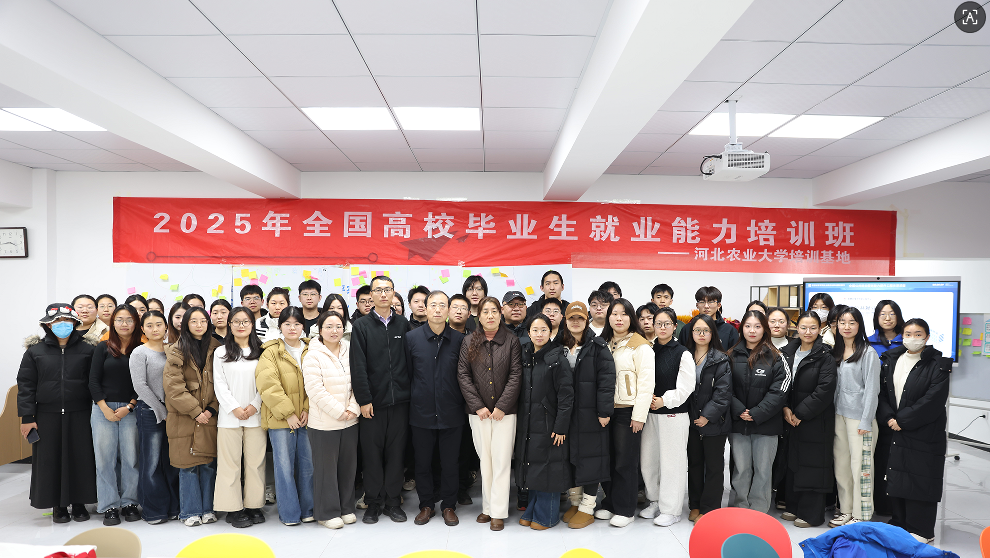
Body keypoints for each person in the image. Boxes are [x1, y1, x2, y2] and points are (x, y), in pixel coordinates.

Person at [18, 303, 97, 523]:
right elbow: (26, 385)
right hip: (46, 414)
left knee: (81, 458)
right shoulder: (35, 352)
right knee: (50, 460)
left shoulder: (88, 349)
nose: (63, 324)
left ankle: (80, 503)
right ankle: (58, 505)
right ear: (48, 324)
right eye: (57, 321)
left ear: (75, 323)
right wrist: (27, 417)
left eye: (67, 320)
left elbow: (95, 381)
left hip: (81, 412)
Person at [877, 319, 951, 544]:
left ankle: (922, 530)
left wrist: (902, 420)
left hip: (923, 431)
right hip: (895, 427)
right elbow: (882, 393)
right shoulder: (891, 359)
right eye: (908, 334)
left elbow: (933, 400)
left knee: (921, 478)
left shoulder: (938, 364)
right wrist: (889, 417)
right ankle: (900, 523)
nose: (912, 338)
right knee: (898, 475)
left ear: (927, 337)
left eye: (918, 334)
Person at [350, 276, 412, 524]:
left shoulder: (404, 325)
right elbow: (358, 366)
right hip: (372, 404)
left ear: (394, 293)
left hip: (400, 403)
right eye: (378, 290)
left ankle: (393, 502)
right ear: (371, 295)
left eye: (387, 290)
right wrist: (364, 399)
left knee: (397, 454)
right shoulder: (361, 326)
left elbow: (410, 363)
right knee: (372, 456)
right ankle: (373, 503)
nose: (383, 294)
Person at [457, 296, 522, 532]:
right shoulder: (468, 341)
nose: (490, 315)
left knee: (502, 461)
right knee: (485, 461)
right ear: (479, 316)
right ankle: (487, 507)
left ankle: (498, 512)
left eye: (494, 311)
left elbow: (516, 374)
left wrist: (502, 406)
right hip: (479, 414)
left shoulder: (512, 340)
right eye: (485, 312)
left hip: (506, 413)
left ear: (500, 313)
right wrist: (478, 406)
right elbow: (463, 375)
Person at [405, 291, 466, 527]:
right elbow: (408, 374)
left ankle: (449, 505)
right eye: (433, 305)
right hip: (421, 411)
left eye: (442, 305)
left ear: (449, 310)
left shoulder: (459, 340)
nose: (438, 309)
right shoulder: (412, 338)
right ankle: (426, 505)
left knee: (450, 463)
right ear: (426, 308)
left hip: (452, 411)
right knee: (422, 463)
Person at [596, 298, 655, 527]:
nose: (618, 318)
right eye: (614, 314)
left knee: (625, 462)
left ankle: (625, 509)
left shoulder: (640, 345)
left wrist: (639, 416)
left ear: (631, 318)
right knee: (608, 460)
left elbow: (646, 385)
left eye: (624, 314)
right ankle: (610, 503)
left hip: (627, 412)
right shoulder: (603, 342)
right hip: (605, 411)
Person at [558, 302, 614, 529]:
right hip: (567, 414)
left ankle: (588, 507)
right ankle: (575, 502)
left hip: (591, 414)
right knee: (570, 458)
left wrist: (604, 411)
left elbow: (607, 381)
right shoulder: (558, 345)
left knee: (591, 459)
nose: (575, 322)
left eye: (580, 318)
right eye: (571, 318)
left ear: (586, 319)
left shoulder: (598, 346)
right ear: (566, 320)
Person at [163, 307, 221, 527]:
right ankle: (190, 512)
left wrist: (211, 410)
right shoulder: (176, 350)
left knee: (207, 464)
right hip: (184, 417)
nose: (199, 325)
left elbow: (223, 383)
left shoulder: (217, 348)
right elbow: (174, 387)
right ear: (186, 324)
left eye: (203, 321)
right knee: (187, 466)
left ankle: (208, 509)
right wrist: (196, 411)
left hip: (209, 416)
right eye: (193, 321)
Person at [257, 306, 314, 526]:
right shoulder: (270, 351)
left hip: (308, 417)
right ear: (280, 326)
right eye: (287, 324)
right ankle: (289, 513)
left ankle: (308, 509)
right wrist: (288, 413)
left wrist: (307, 409)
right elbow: (268, 385)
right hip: (281, 419)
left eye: (297, 324)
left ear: (303, 326)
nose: (292, 328)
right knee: (284, 467)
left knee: (308, 466)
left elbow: (317, 382)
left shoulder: (312, 349)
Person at [728, 310, 790, 514]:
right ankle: (740, 507)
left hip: (766, 424)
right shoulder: (731, 355)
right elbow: (724, 387)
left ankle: (758, 510)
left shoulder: (776, 357)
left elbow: (780, 390)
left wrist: (756, 412)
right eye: (748, 326)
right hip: (738, 423)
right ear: (741, 329)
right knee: (741, 469)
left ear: (764, 329)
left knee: (763, 470)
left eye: (757, 326)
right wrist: (740, 410)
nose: (752, 330)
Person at [516, 314, 573, 530]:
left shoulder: (557, 358)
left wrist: (561, 427)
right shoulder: (526, 355)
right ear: (528, 333)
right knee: (534, 468)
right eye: (535, 330)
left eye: (543, 330)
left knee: (550, 468)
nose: (539, 334)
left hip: (550, 423)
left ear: (551, 332)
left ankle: (547, 516)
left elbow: (566, 396)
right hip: (530, 421)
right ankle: (532, 509)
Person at [303, 310, 360, 530]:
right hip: (324, 424)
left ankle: (346, 508)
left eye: (338, 326)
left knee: (347, 467)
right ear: (320, 330)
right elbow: (315, 390)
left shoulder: (349, 349)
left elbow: (359, 379)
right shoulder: (313, 355)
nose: (334, 331)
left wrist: (353, 407)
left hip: (350, 420)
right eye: (328, 327)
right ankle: (327, 513)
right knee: (326, 470)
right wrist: (339, 411)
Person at [779, 312, 837, 528]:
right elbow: (780, 382)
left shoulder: (825, 355)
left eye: (813, 327)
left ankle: (811, 514)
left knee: (813, 464)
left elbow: (825, 389)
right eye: (803, 327)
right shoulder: (787, 352)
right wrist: (785, 407)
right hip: (790, 416)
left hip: (815, 419)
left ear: (819, 329)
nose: (808, 332)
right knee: (793, 462)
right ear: (797, 328)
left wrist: (800, 413)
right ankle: (793, 506)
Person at [640, 307, 695, 527]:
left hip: (673, 414)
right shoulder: (648, 349)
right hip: (649, 414)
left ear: (674, 326)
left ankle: (671, 510)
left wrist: (665, 400)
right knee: (649, 461)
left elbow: (687, 387)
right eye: (658, 323)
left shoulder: (683, 353)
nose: (662, 328)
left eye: (667, 324)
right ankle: (654, 500)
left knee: (672, 463)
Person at [212, 307, 266, 529]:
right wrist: (234, 408)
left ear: (252, 325)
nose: (241, 325)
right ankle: (233, 508)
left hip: (256, 416)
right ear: (230, 325)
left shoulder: (261, 351)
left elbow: (266, 382)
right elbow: (219, 384)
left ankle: (254, 506)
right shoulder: (220, 352)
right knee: (229, 465)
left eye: (245, 321)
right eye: (236, 322)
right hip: (229, 418)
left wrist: (255, 405)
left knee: (255, 464)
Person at [90, 304, 142, 526]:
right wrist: (104, 408)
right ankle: (109, 505)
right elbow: (93, 381)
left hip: (131, 409)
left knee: (131, 458)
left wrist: (129, 406)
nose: (124, 324)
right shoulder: (103, 347)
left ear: (136, 323)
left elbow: (142, 383)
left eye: (129, 320)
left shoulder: (140, 349)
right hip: (103, 408)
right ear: (113, 322)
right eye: (119, 319)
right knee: (105, 459)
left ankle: (130, 503)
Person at [829, 306, 881, 527]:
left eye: (852, 322)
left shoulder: (868, 353)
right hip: (838, 415)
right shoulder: (836, 351)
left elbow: (872, 390)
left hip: (860, 419)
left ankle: (862, 514)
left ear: (859, 325)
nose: (846, 327)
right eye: (842, 322)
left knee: (861, 468)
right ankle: (846, 510)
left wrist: (866, 420)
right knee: (841, 466)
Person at [129, 310, 180, 524]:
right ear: (142, 329)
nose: (155, 329)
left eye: (159, 324)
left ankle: (173, 507)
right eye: (149, 325)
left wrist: (171, 411)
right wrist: (161, 411)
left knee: (172, 462)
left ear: (166, 326)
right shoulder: (139, 352)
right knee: (151, 463)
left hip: (174, 413)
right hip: (150, 412)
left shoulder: (172, 350)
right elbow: (140, 386)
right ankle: (154, 510)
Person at [682, 314, 731, 523]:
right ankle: (695, 504)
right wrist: (693, 417)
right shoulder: (684, 355)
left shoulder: (721, 359)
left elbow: (723, 393)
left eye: (706, 330)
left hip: (715, 422)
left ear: (713, 333)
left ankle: (709, 508)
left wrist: (706, 416)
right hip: (690, 421)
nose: (701, 334)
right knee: (694, 464)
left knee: (713, 467)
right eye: (697, 330)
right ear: (691, 333)